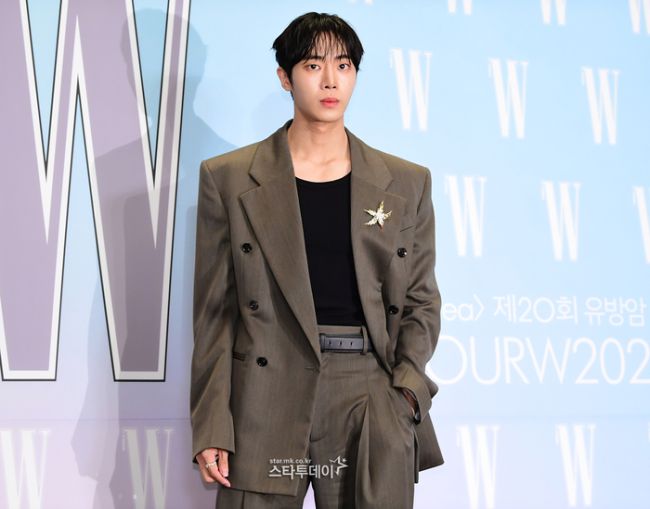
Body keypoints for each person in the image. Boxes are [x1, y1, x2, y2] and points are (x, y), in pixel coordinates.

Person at [191, 11, 443, 508]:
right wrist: (212, 422)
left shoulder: (406, 182)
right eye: (312, 65)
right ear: (285, 77)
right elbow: (215, 314)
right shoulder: (229, 178)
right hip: (264, 392)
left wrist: (406, 392)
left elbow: (421, 300)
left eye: (344, 65)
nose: (330, 80)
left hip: (367, 394)